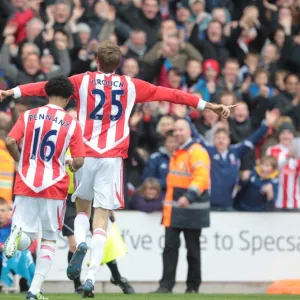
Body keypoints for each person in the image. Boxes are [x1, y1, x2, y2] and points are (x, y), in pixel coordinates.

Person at [0, 40, 235, 298]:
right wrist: (208, 105)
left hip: (85, 153)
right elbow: (171, 94)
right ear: (119, 64)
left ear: (97, 61)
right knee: (102, 219)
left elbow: (47, 87)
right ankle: (90, 276)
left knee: (81, 208)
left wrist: (13, 92)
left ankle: (80, 244)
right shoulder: (131, 85)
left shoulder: (83, 80)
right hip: (111, 159)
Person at [3, 76, 85, 300]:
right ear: (69, 99)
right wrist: (70, 163)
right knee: (48, 238)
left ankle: (17, 236)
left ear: (47, 94)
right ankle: (34, 290)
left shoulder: (28, 115)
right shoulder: (72, 123)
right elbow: (79, 160)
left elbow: (10, 141)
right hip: (54, 184)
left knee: (24, 241)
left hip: (26, 180)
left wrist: (21, 163)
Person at [62, 108, 135, 295]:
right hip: (68, 199)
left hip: (92, 197)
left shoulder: (88, 142)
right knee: (75, 243)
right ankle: (80, 283)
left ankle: (116, 277)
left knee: (104, 242)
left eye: (77, 119)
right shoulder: (61, 143)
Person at [154, 119, 210, 294]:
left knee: (192, 251)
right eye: (175, 130)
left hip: (191, 209)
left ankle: (192, 287)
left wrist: (189, 196)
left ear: (189, 131)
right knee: (169, 249)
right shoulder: (178, 152)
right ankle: (165, 285)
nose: (177, 133)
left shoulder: (196, 151)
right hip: (174, 210)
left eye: (181, 130)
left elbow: (201, 177)